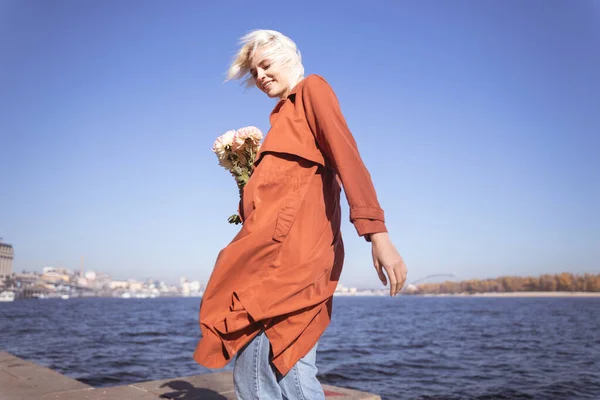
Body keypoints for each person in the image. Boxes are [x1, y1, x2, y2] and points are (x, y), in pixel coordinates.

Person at [193, 29, 408, 400]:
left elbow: (348, 159)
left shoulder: (313, 90)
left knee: (270, 361)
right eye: (253, 72)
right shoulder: (282, 117)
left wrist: (378, 235)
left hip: (292, 259)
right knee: (280, 362)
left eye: (265, 65)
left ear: (288, 57)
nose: (259, 76)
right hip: (268, 256)